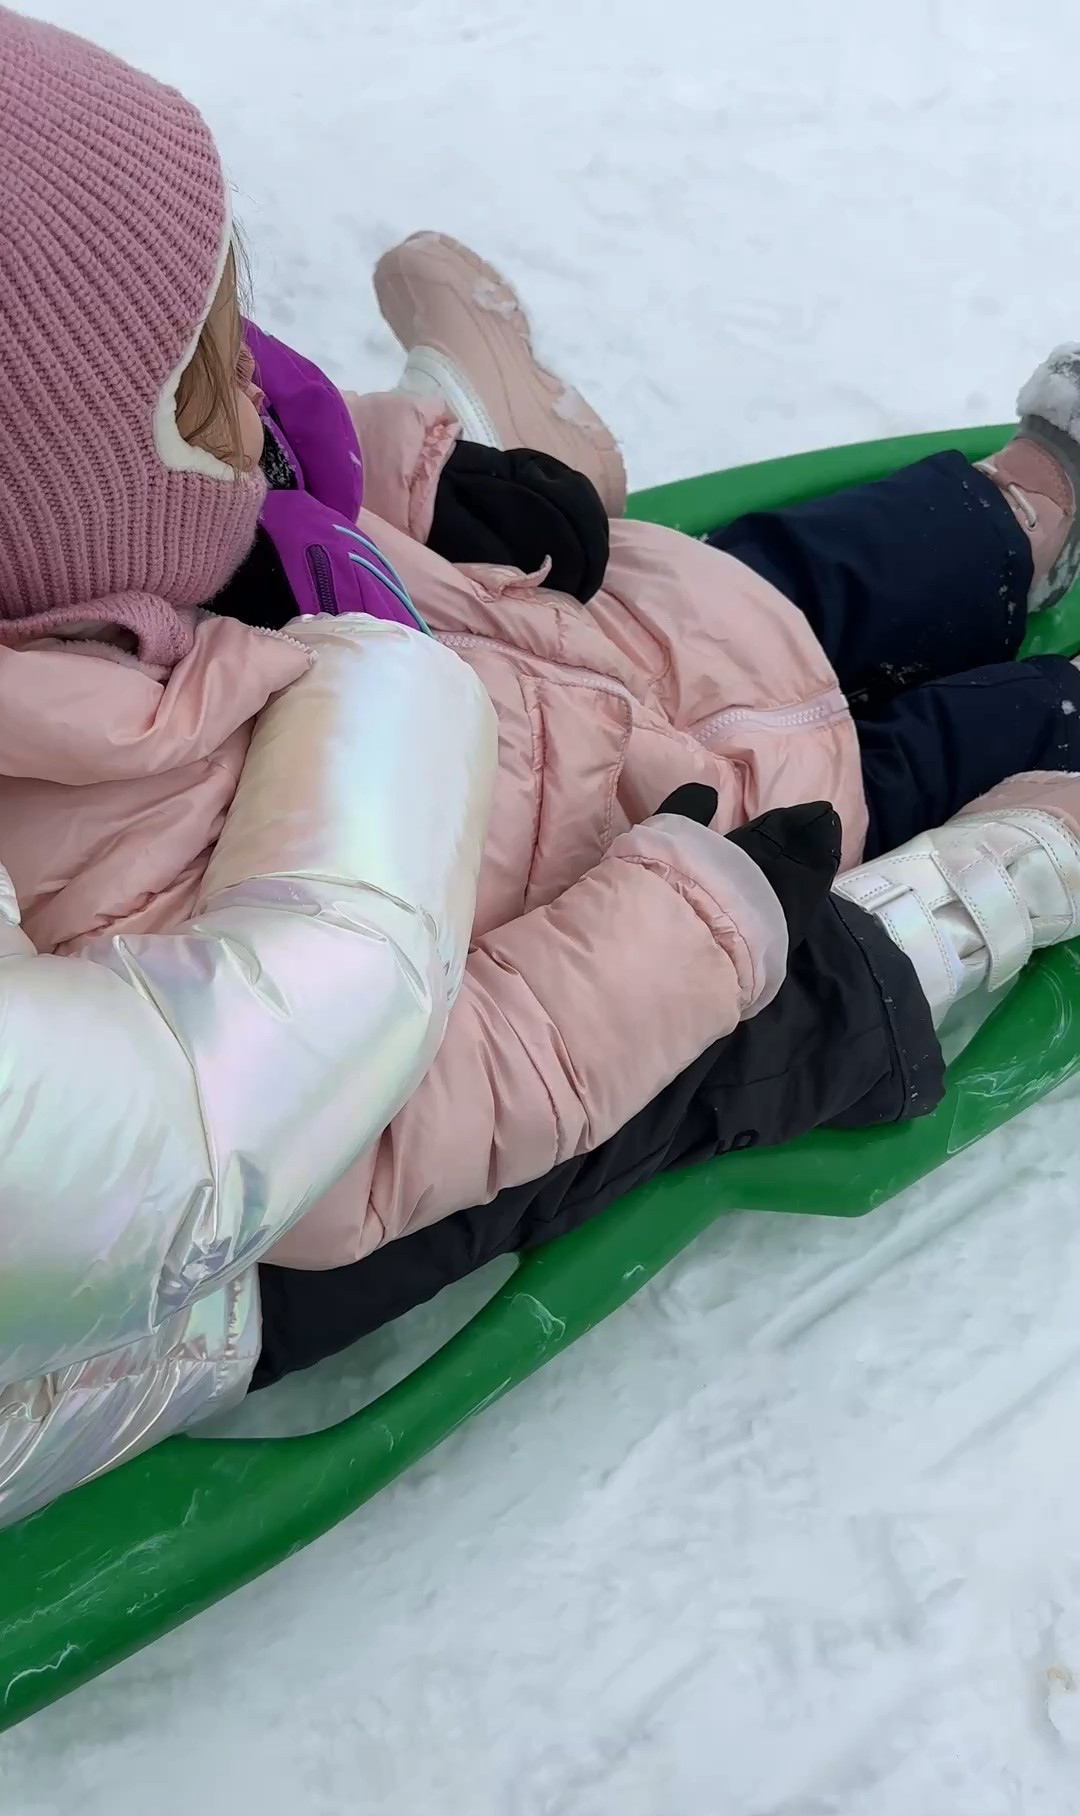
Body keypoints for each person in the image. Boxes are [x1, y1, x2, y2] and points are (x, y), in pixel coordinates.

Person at [0, 8, 1077, 1519]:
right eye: (200, 392)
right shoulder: (79, 838)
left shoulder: (123, 545)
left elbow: (237, 453)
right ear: (59, 511)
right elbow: (365, 1132)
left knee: (778, 581)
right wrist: (690, 919)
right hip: (645, 872)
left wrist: (418, 482)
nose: (249, 397)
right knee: (937, 763)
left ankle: (1027, 507)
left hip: (586, 658)